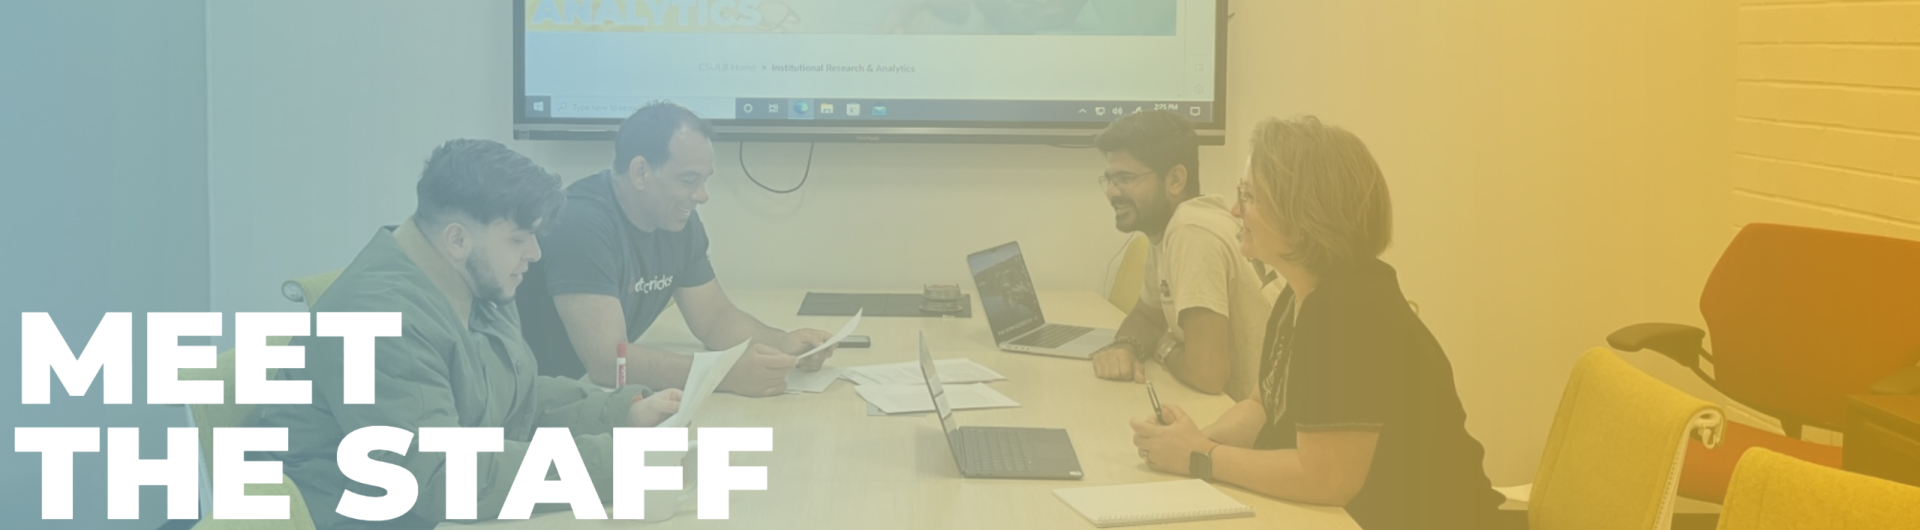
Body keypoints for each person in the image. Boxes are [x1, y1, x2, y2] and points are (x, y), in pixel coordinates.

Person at [252, 139, 684, 528]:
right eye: (519, 238)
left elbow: (517, 402)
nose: (534, 254)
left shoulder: (473, 280)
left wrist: (623, 412)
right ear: (457, 239)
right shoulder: (379, 321)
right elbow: (443, 478)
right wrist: (620, 466)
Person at [1128, 116, 1504, 529]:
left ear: (1302, 214)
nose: (1236, 210)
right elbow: (1260, 406)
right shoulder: (1301, 293)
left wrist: (1200, 456)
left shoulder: (1350, 312)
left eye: (1249, 196)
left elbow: (1325, 478)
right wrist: (1195, 440)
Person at [516, 102, 836, 396]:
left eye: (704, 180)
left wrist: (781, 342)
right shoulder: (580, 223)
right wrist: (721, 374)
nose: (702, 195)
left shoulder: (676, 219)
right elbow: (607, 362)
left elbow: (714, 319)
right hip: (535, 400)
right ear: (640, 172)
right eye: (688, 180)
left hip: (588, 392)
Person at [1087, 110, 1275, 401]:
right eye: (1109, 179)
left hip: (1259, 430)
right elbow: (1147, 318)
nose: (1112, 192)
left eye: (1125, 178)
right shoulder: (1169, 228)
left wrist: (1163, 345)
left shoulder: (1191, 232)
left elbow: (1207, 374)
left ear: (1175, 179)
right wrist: (1124, 347)